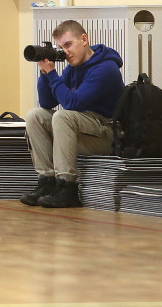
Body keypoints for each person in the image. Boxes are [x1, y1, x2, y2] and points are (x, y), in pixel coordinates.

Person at [20, 20, 124, 208]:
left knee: (62, 116)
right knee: (35, 115)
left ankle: (67, 188)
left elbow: (73, 103)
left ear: (84, 39)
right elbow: (47, 103)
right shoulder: (73, 68)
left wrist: (53, 75)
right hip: (84, 128)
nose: (65, 52)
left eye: (68, 45)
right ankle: (47, 182)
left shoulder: (106, 68)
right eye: (60, 47)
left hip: (107, 133)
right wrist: (45, 74)